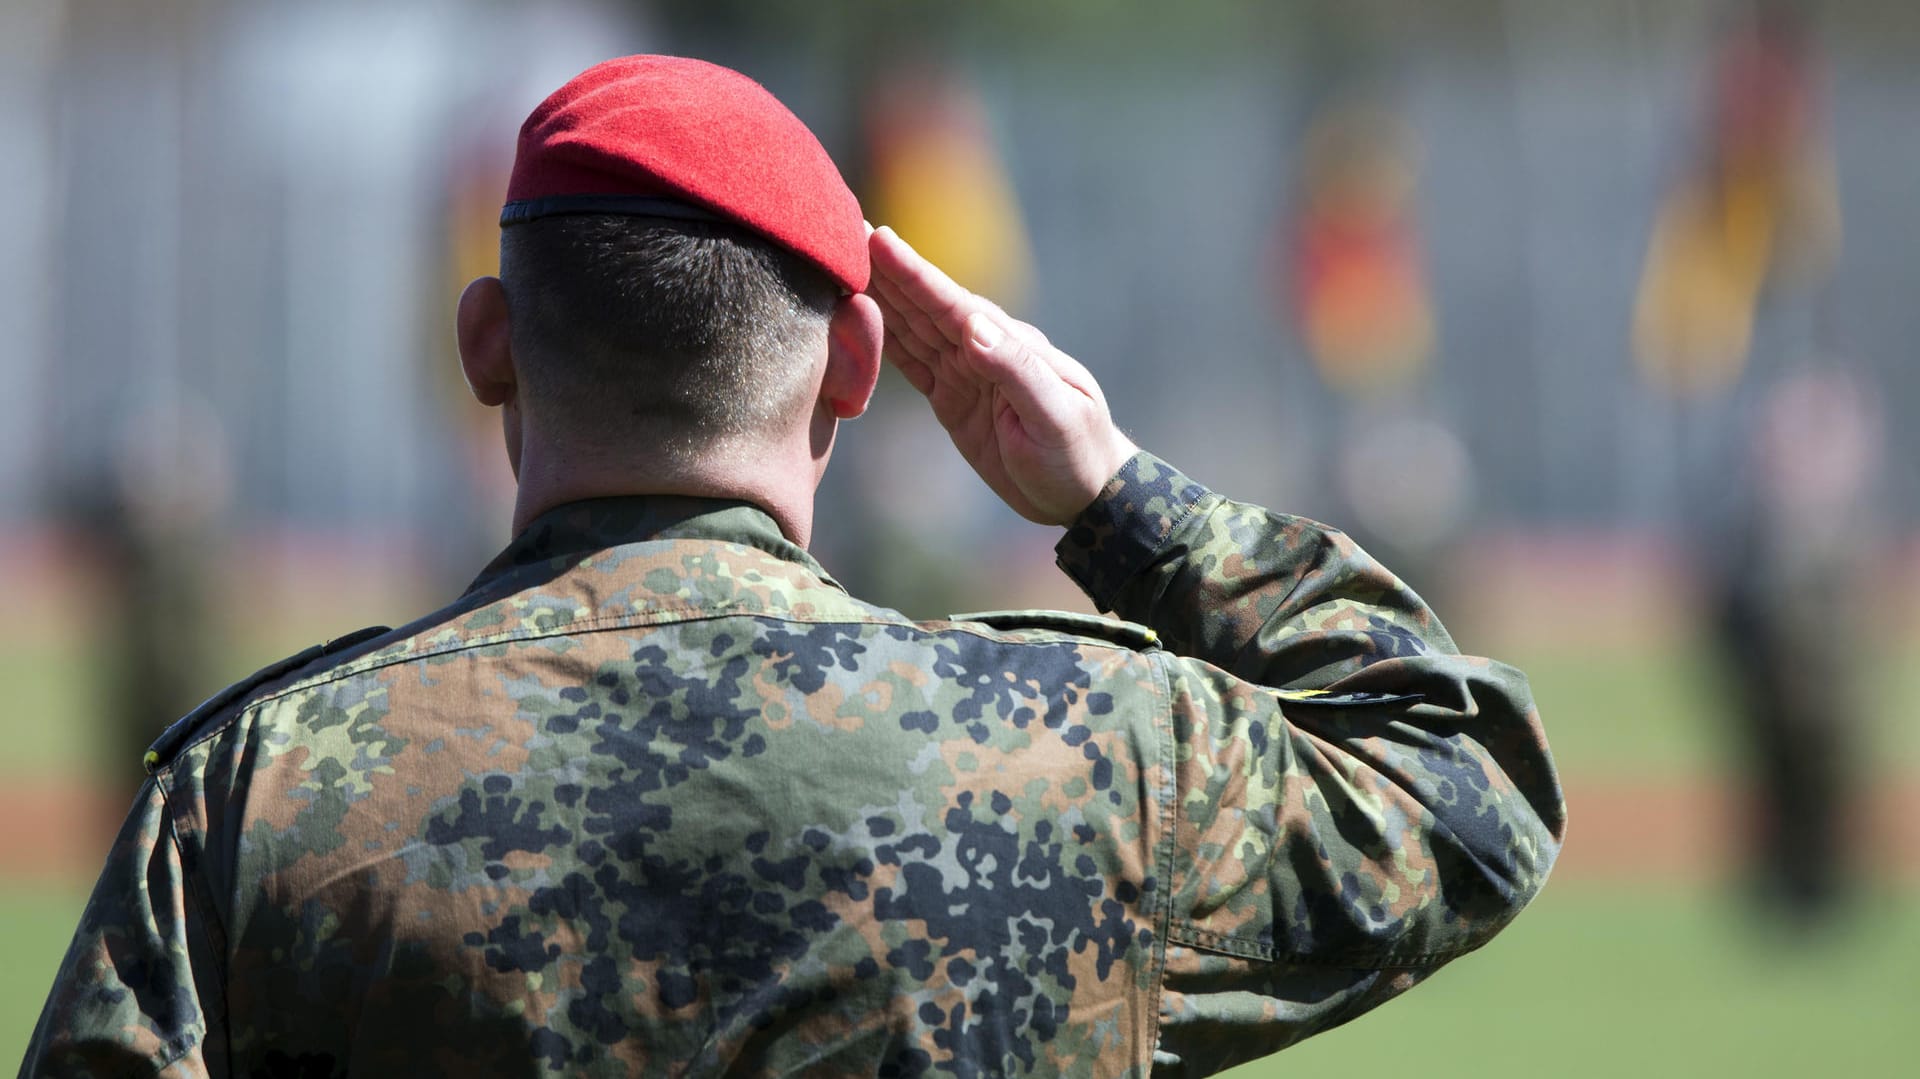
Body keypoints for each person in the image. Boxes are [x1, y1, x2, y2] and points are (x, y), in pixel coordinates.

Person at [23, 55, 1563, 1078]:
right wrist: (1114, 495)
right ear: (856, 369)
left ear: (485, 346)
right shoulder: (1086, 755)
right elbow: (1466, 787)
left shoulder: (260, 796)